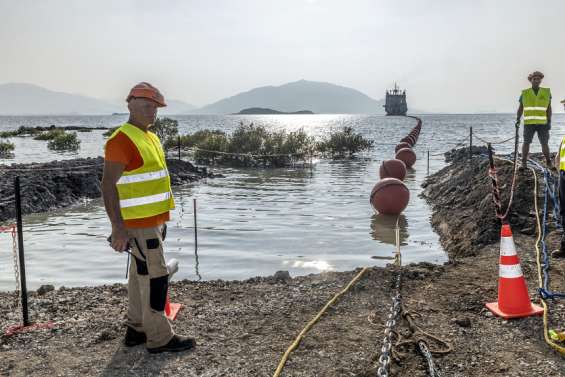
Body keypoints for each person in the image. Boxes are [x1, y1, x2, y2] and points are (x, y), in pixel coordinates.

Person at [101, 82, 196, 353]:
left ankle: (136, 329)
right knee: (157, 278)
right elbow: (108, 186)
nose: (151, 111)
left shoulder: (150, 137)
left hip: (152, 222)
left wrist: (160, 221)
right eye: (145, 106)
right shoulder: (121, 139)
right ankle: (160, 338)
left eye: (155, 107)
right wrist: (117, 228)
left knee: (139, 276)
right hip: (138, 225)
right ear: (129, 104)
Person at [516, 71, 552, 169]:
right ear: (531, 80)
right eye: (534, 79)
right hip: (529, 123)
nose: (536, 80)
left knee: (544, 143)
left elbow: (549, 108)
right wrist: (518, 119)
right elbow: (521, 108)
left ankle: (548, 161)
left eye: (538, 79)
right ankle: (523, 163)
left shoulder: (546, 92)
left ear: (541, 80)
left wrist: (549, 121)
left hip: (543, 123)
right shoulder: (525, 93)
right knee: (526, 142)